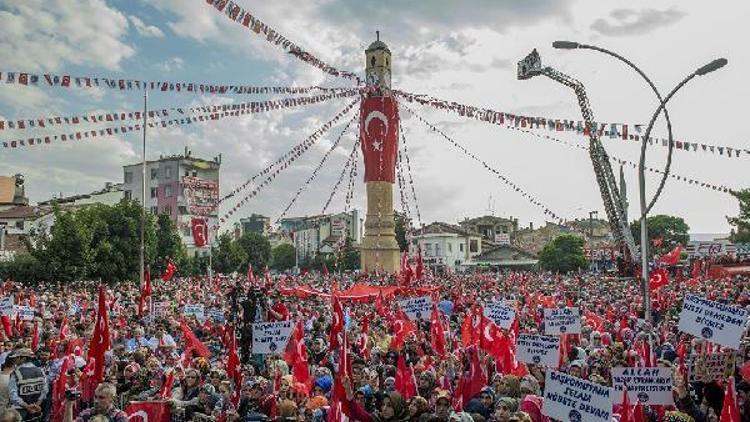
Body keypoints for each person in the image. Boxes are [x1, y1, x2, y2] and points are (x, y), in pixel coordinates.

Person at [6, 349, 46, 420]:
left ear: (23, 358)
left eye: (17, 358)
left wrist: (27, 406)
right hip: (36, 411)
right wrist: (37, 405)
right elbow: (45, 391)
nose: (15, 360)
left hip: (20, 412)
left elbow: (13, 395)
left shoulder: (16, 373)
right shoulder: (41, 371)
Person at [62, 382, 127, 422]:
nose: (96, 401)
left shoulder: (119, 416)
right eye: (95, 397)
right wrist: (69, 404)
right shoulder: (87, 413)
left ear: (112, 399)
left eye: (101, 398)